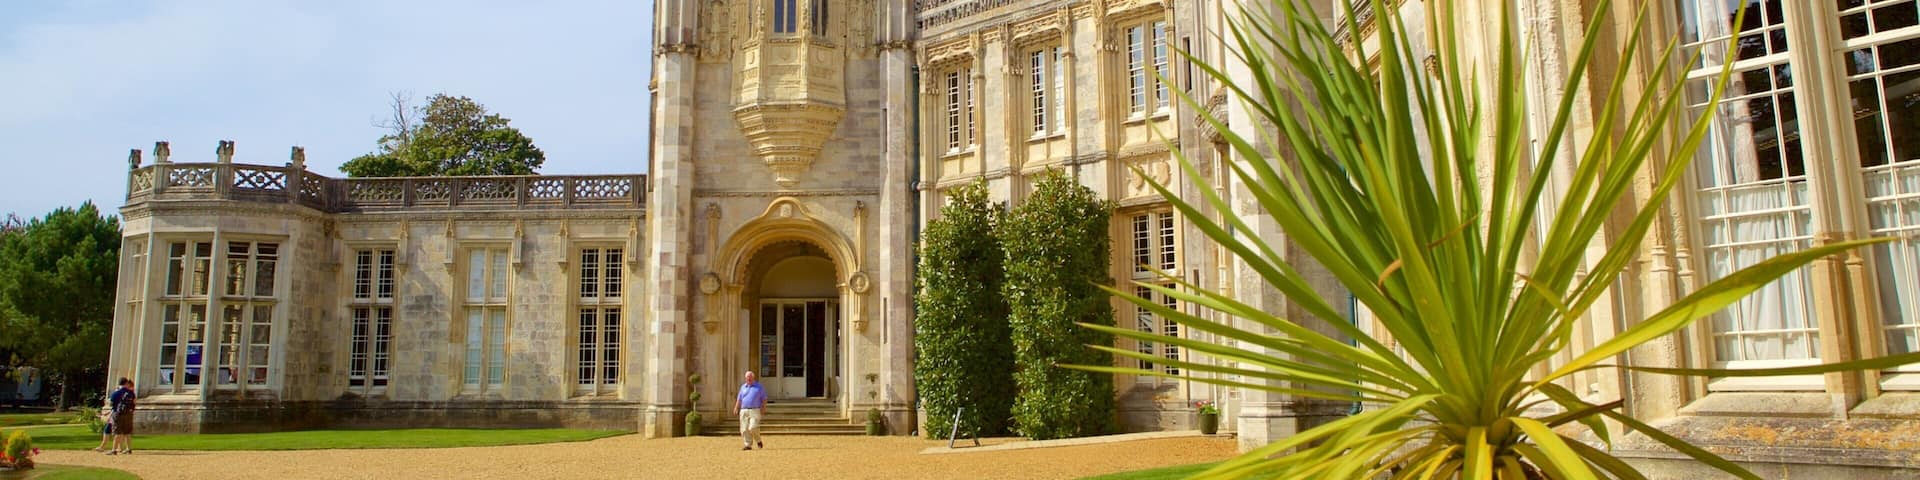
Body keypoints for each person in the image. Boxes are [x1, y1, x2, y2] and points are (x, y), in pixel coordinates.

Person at [732, 370, 766, 451]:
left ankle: (758, 440)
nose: (748, 379)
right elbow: (739, 399)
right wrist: (736, 407)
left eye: (750, 377)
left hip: (755, 410)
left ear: (753, 377)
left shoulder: (759, 387)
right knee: (744, 429)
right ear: (745, 378)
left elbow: (764, 398)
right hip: (744, 410)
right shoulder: (743, 387)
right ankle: (748, 445)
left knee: (752, 427)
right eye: (747, 377)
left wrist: (763, 407)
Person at [107, 378, 135, 455]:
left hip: (118, 414)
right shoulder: (131, 393)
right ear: (126, 383)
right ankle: (129, 449)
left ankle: (114, 450)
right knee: (127, 432)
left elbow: (111, 404)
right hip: (128, 414)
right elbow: (134, 402)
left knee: (117, 432)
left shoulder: (116, 393)